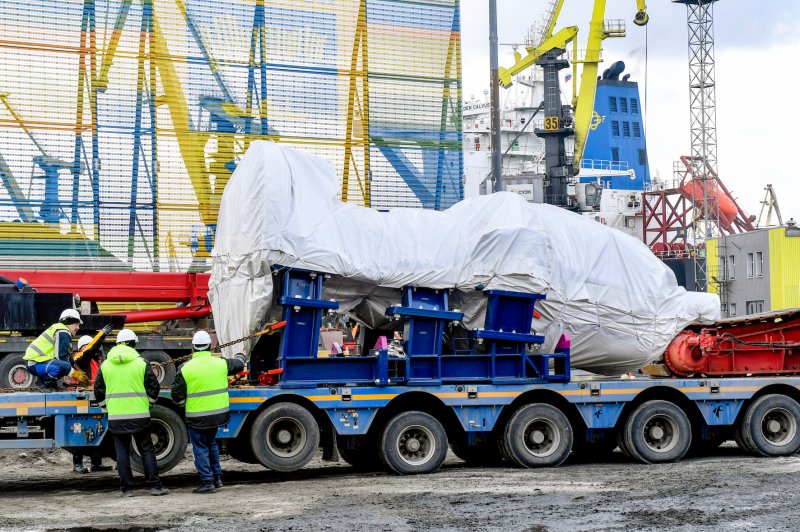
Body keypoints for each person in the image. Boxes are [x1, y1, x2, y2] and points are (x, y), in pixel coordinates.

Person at [94, 329, 169, 497]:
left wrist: (106, 407)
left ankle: (126, 490)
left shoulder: (105, 365)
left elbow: (98, 390)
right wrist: (149, 404)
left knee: (122, 452)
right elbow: (153, 387)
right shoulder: (141, 363)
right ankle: (155, 487)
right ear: (132, 343)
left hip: (116, 417)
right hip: (140, 415)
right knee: (146, 450)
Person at [171, 331, 245, 494]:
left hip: (197, 417)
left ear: (193, 347)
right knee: (211, 443)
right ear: (211, 347)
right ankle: (217, 478)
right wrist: (241, 354)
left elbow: (176, 394)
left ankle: (207, 481)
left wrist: (185, 405)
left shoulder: (185, 368)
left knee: (200, 447)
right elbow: (239, 364)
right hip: (218, 415)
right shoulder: (220, 364)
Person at [71, 328, 114, 474]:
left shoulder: (95, 361)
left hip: (93, 398)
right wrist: (101, 335)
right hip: (81, 399)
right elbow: (90, 350)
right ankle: (77, 464)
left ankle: (97, 463)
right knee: (80, 431)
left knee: (96, 430)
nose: (96, 349)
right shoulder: (81, 358)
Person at [24, 309, 87, 390]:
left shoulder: (60, 329)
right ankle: (46, 383)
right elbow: (61, 358)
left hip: (36, 363)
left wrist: (78, 370)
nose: (78, 328)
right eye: (76, 324)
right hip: (36, 364)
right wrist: (75, 374)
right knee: (64, 366)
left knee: (65, 365)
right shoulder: (63, 332)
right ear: (68, 322)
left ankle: (45, 380)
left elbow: (69, 357)